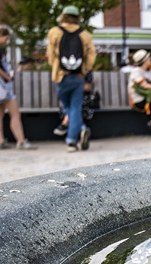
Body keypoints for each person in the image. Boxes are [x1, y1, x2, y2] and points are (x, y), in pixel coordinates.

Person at [47, 5, 96, 153]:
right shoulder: (85, 34)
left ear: (63, 16)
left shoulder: (54, 32)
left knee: (68, 106)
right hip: (78, 76)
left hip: (61, 75)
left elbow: (51, 55)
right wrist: (83, 70)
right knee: (74, 108)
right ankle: (78, 132)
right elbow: (91, 55)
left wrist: (57, 68)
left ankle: (71, 141)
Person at [0, 27, 36, 150]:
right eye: (6, 38)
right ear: (0, 36)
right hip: (2, 86)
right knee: (15, 113)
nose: (6, 41)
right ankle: (21, 141)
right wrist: (7, 76)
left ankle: (0, 141)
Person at [53, 71, 99, 136]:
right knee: (69, 105)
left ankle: (65, 124)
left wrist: (74, 88)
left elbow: (87, 87)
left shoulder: (85, 69)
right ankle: (82, 129)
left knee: (75, 106)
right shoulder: (65, 69)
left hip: (82, 97)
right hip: (69, 97)